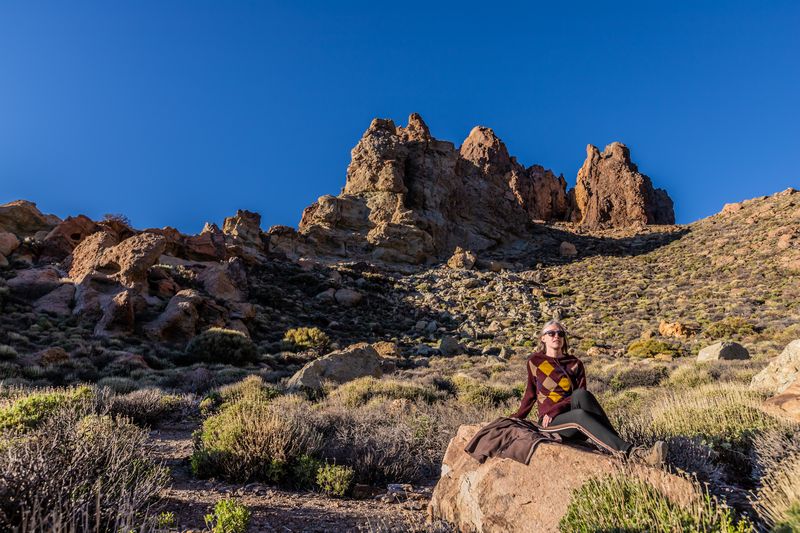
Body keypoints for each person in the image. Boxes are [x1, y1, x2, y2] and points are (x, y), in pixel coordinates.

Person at [512, 319, 667, 465]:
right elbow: (530, 395)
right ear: (543, 338)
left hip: (573, 419)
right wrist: (516, 418)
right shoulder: (535, 362)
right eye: (551, 333)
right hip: (550, 423)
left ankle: (625, 447)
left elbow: (579, 395)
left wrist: (557, 409)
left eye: (560, 333)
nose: (556, 336)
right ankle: (633, 454)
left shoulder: (574, 363)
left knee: (582, 395)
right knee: (579, 414)